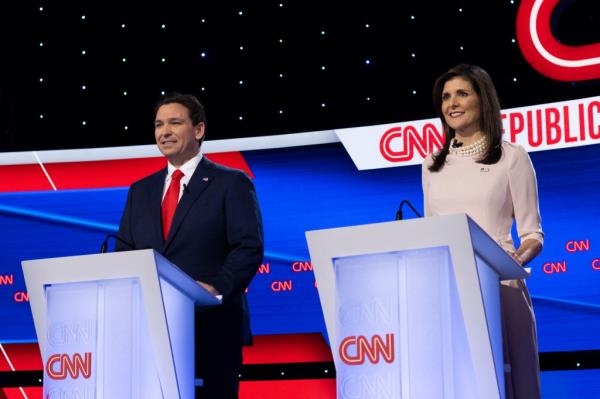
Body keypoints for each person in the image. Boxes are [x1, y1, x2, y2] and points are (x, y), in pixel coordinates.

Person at [116, 92, 264, 398]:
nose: (164, 132)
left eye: (175, 122)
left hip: (212, 328)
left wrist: (215, 288)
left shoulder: (231, 182)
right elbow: (125, 255)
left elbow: (248, 247)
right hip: (153, 332)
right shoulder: (140, 191)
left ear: (198, 130)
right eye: (159, 124)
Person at [422, 64, 543, 398]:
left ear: (483, 99)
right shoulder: (432, 163)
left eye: (462, 93)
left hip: (500, 288)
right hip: (448, 292)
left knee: (509, 382)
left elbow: (533, 234)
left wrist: (512, 260)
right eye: (445, 97)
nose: (452, 103)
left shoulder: (511, 157)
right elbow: (432, 230)